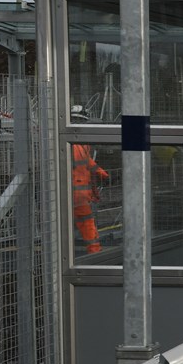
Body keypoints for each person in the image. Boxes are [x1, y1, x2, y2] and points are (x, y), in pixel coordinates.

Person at [70, 106, 110, 254]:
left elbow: (87, 163)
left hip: (76, 192)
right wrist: (102, 174)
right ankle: (94, 251)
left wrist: (102, 173)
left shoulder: (77, 142)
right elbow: (85, 163)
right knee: (86, 222)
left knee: (80, 223)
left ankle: (93, 250)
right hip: (77, 194)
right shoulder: (77, 143)